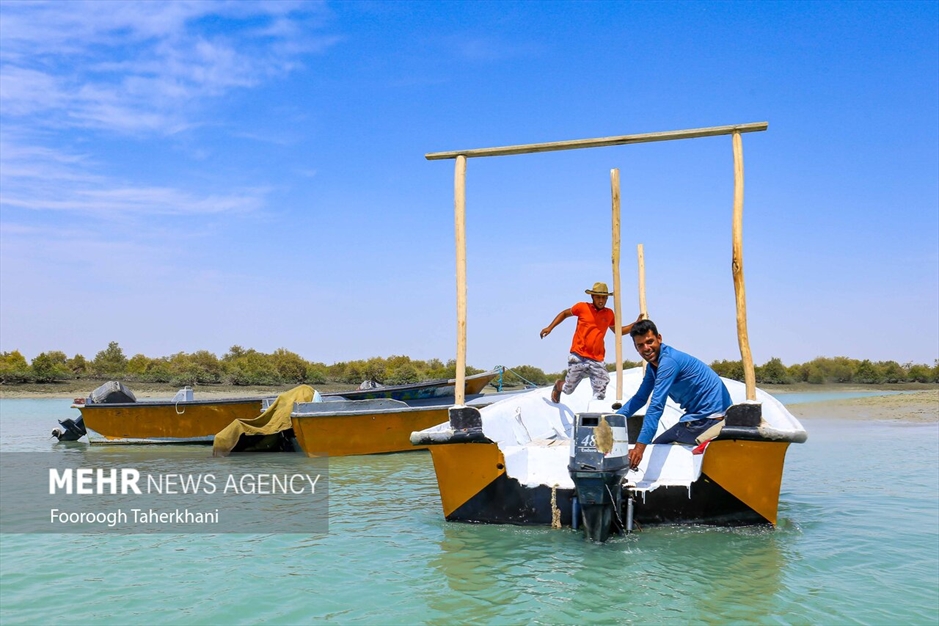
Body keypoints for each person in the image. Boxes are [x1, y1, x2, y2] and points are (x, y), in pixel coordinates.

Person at [615, 319, 732, 469]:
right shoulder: (653, 367)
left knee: (656, 448)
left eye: (650, 342)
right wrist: (613, 420)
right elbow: (640, 398)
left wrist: (639, 448)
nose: (646, 348)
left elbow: (656, 406)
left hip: (709, 419)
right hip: (701, 416)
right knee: (655, 445)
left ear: (659, 338)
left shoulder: (668, 362)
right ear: (636, 348)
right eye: (640, 345)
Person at [540, 282, 639, 403]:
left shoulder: (609, 314)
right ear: (592, 297)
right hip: (578, 355)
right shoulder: (582, 307)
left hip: (596, 359)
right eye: (598, 297)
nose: (601, 300)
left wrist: (635, 324)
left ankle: (596, 410)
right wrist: (550, 327)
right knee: (568, 389)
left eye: (604, 298)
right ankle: (559, 385)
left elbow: (618, 332)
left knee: (601, 389)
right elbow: (565, 313)